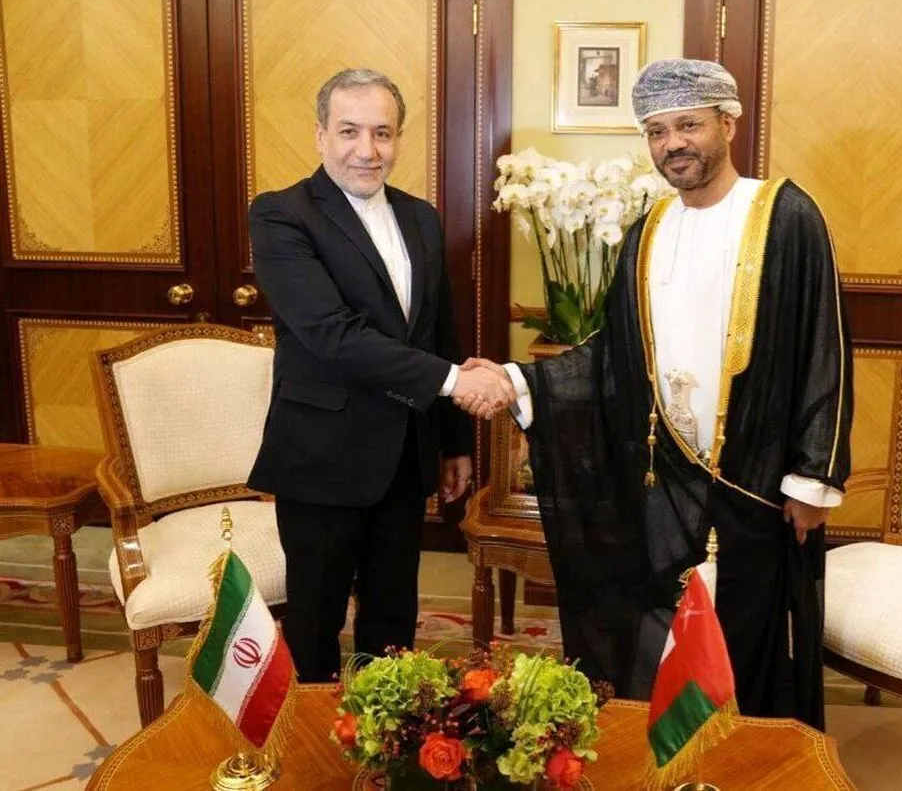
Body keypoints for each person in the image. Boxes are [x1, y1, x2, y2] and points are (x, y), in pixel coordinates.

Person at [460, 59, 852, 728]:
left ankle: (736, 757)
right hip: (660, 478)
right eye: (657, 131)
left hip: (753, 478)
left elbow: (825, 347)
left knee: (743, 631)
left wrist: (814, 478)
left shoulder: (784, 215)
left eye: (688, 125)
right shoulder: (649, 229)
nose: (672, 144)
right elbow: (612, 350)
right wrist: (518, 380)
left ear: (728, 123)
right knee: (658, 625)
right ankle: (659, 752)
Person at [247, 68, 514, 682]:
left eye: (382, 133)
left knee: (393, 617)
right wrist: (456, 382)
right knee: (315, 620)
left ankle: (380, 727)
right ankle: (310, 731)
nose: (367, 150)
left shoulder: (421, 217)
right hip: (322, 456)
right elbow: (332, 333)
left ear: (398, 139)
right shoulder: (281, 215)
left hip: (404, 454)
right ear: (321, 135)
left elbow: (440, 332)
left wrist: (453, 443)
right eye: (349, 131)